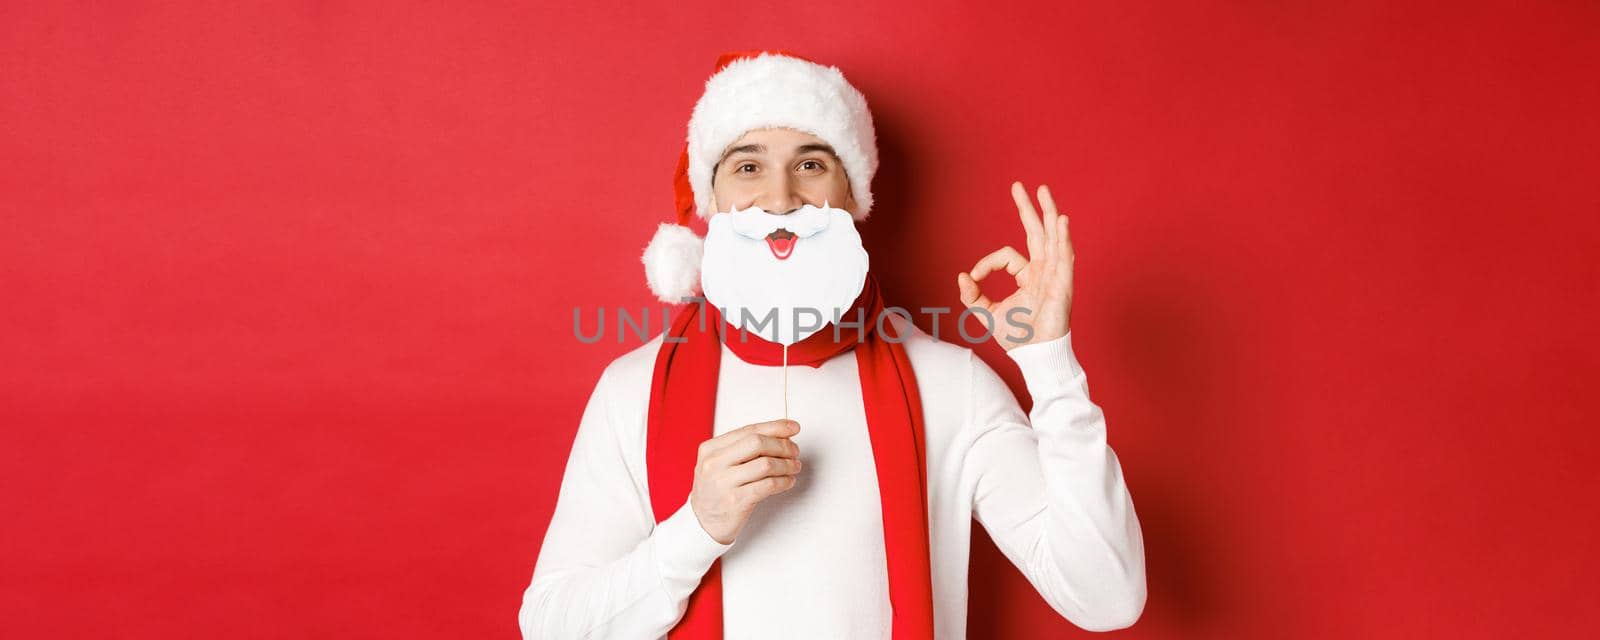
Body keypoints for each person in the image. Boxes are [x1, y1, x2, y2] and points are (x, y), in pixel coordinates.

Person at [518, 49, 1146, 639]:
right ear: (712, 203)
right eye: (747, 166)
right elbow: (550, 624)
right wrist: (697, 529)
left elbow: (1108, 598)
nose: (781, 198)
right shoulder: (633, 390)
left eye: (811, 165)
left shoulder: (950, 385)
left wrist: (1050, 364)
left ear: (852, 196)